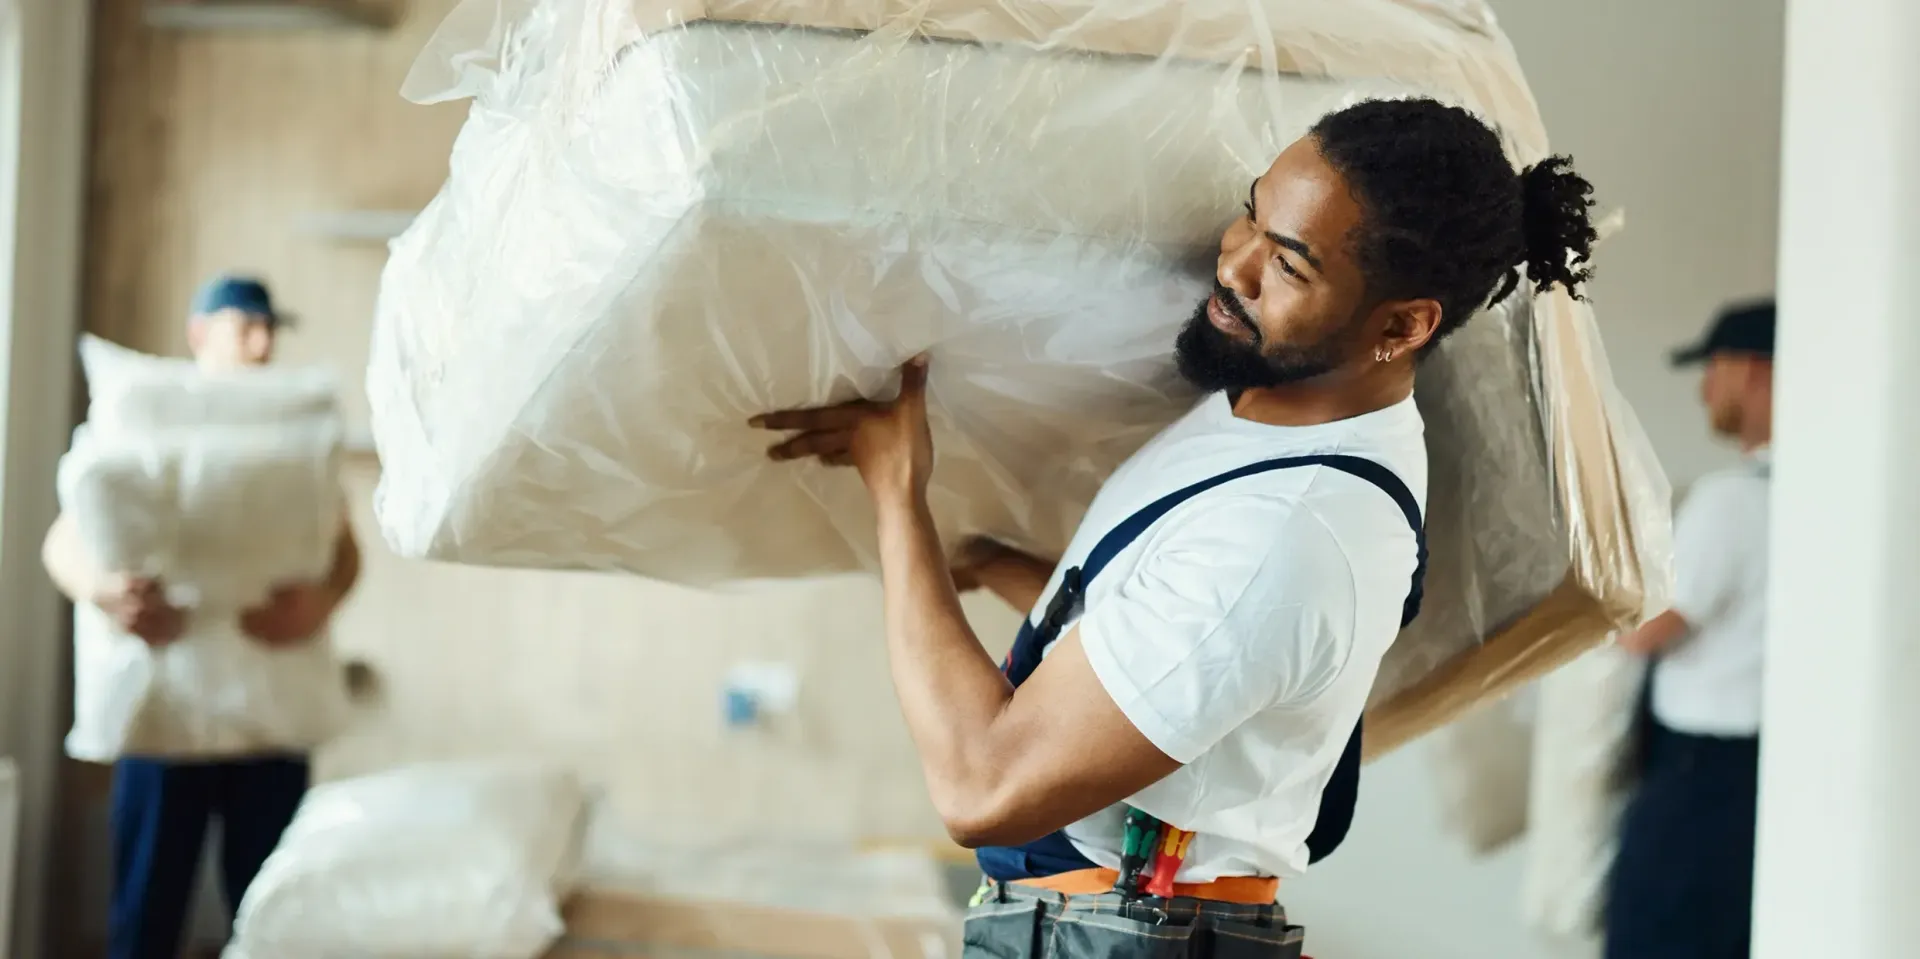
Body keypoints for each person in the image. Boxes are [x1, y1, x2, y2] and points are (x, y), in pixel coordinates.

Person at [754, 97, 1597, 956]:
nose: (1235, 265)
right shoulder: (1270, 405)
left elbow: (983, 784)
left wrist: (900, 493)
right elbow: (1175, 636)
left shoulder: (1291, 534)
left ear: (1402, 324)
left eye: (1291, 266)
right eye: (1251, 214)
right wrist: (1009, 566)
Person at [41, 276, 361, 959]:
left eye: (270, 327)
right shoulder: (146, 419)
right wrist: (104, 590)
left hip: (268, 719)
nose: (263, 340)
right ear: (198, 333)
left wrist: (323, 600)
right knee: (147, 916)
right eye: (245, 324)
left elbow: (345, 548)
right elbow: (63, 539)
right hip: (167, 717)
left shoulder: (293, 436)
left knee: (271, 919)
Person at [1606, 300, 1774, 959]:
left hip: (1699, 781)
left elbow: (1643, 630)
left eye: (1715, 367)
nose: (1706, 386)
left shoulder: (1732, 500)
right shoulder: (1821, 494)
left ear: (1756, 370)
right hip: (1764, 773)